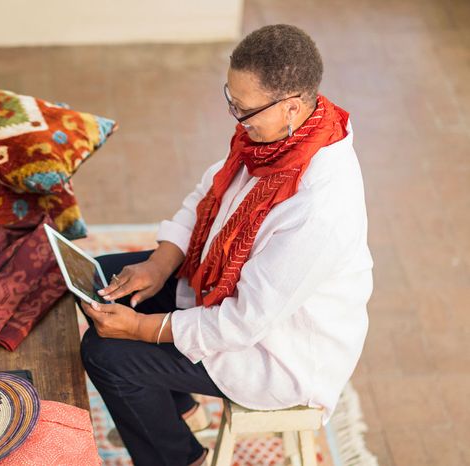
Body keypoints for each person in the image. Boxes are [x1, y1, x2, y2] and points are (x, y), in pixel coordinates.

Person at [79, 24, 373, 466]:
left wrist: (142, 329)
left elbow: (241, 324)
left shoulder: (319, 206)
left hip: (275, 352)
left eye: (243, 109)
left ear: (292, 106)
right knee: (103, 277)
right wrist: (159, 264)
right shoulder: (275, 138)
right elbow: (209, 198)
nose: (235, 116)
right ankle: (183, 413)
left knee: (107, 355)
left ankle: (179, 458)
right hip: (225, 291)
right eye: (230, 99)